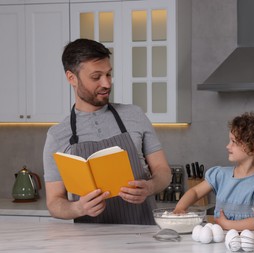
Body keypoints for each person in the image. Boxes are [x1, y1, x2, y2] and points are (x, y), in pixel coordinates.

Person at [43, 38, 172, 224]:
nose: (106, 83)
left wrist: (150, 187)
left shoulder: (134, 115)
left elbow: (163, 171)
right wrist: (78, 208)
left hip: (143, 236)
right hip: (90, 246)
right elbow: (54, 202)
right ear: (71, 78)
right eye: (96, 77)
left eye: (109, 74)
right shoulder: (57, 135)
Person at [174, 112, 254, 231]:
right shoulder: (220, 175)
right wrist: (180, 207)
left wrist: (228, 225)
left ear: (253, 148)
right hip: (218, 242)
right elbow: (195, 192)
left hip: (247, 244)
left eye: (234, 142)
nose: (228, 146)